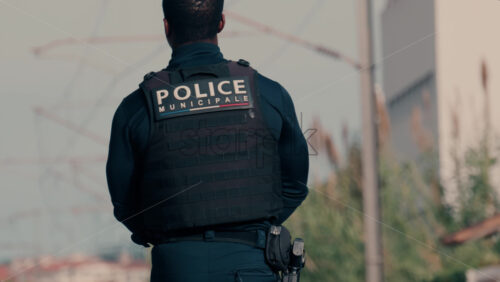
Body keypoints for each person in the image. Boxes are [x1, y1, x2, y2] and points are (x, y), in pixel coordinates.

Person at [106, 0, 309, 281]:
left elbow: (125, 204)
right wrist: (257, 226)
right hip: (252, 264)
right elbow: (295, 185)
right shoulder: (269, 94)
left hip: (176, 267)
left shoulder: (136, 107)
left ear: (167, 27)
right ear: (221, 22)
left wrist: (166, 232)